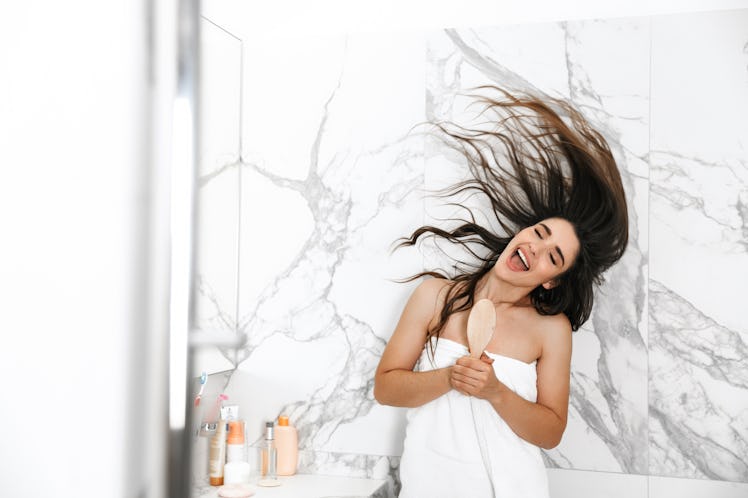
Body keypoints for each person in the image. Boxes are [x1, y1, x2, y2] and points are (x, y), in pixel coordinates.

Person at [374, 86, 629, 497]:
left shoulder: (550, 330)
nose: (535, 247)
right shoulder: (434, 295)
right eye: (539, 233)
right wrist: (450, 378)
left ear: (553, 280)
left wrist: (494, 390)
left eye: (553, 256)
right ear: (522, 231)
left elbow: (550, 432)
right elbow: (386, 388)